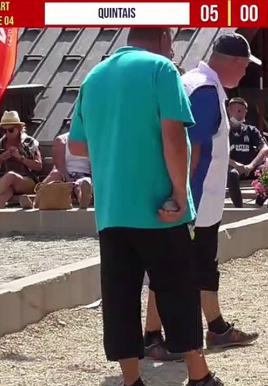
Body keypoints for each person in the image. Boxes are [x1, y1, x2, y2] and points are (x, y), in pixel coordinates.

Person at [68, 28, 224, 386]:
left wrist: (117, 146)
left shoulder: (93, 76)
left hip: (112, 210)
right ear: (163, 37)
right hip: (159, 207)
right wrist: (180, 195)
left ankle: (131, 380)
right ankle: (199, 376)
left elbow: (77, 145)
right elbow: (173, 136)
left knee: (120, 296)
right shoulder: (162, 69)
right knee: (177, 291)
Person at [144, 33, 261, 359]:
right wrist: (183, 199)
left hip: (201, 200)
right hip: (194, 200)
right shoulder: (205, 91)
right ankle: (153, 335)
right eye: (246, 68)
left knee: (203, 265)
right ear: (236, 62)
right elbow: (192, 148)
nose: (245, 74)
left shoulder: (194, 82)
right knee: (172, 269)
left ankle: (217, 326)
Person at [0, 111, 42, 209]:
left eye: (10, 130)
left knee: (10, 176)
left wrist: (20, 158)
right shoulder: (0, 144)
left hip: (26, 181)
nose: (7, 133)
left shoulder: (29, 143)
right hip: (4, 184)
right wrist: (1, 159)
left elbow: (38, 166)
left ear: (19, 129)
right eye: (4, 131)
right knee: (6, 192)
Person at [29, 132, 93, 209]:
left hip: (84, 174)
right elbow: (59, 166)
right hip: (64, 174)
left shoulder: (93, 140)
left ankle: (83, 201)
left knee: (82, 184)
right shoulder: (62, 139)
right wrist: (69, 180)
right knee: (54, 175)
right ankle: (34, 204)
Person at [227, 97, 268, 208]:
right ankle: (239, 208)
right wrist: (235, 164)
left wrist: (251, 165)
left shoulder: (251, 130)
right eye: (238, 111)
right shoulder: (223, 132)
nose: (241, 115)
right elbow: (216, 152)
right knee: (232, 174)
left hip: (250, 167)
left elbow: (265, 149)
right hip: (232, 167)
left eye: (244, 111)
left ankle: (259, 204)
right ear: (229, 111)